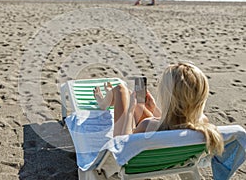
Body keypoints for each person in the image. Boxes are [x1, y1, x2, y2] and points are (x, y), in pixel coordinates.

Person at [93, 62, 224, 155]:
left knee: (122, 90)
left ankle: (104, 102)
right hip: (168, 156)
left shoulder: (146, 125)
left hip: (133, 160)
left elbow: (121, 146)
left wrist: (129, 111)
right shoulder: (201, 123)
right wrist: (153, 108)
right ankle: (110, 98)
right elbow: (174, 122)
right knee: (138, 102)